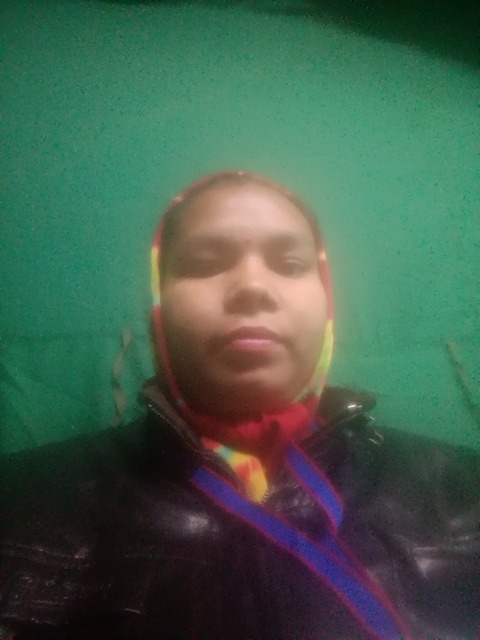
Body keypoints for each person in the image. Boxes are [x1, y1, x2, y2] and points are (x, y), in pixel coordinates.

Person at [0, 170, 478, 640]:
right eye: (206, 263)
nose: (252, 286)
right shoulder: (21, 501)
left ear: (327, 303)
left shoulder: (466, 492)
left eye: (290, 264)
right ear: (158, 308)